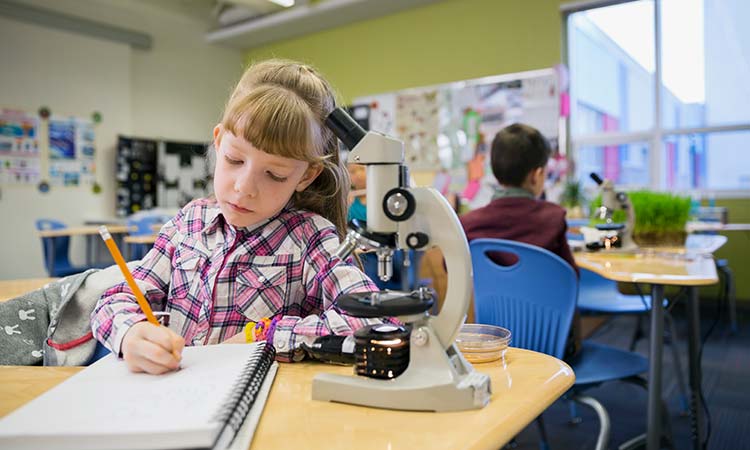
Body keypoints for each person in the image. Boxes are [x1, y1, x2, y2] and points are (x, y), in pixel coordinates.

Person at [91, 59, 382, 374]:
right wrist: (131, 334)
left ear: (306, 176)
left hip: (261, 407)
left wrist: (263, 335)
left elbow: (374, 321)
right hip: (177, 400)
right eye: (233, 159)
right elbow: (114, 300)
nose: (244, 188)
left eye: (274, 174)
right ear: (218, 142)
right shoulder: (188, 224)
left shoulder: (310, 239)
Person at [423, 123, 580, 359]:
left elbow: (449, 267)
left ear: (495, 171)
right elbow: (571, 277)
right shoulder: (553, 217)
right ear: (537, 175)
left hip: (491, 345)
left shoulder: (469, 222)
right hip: (548, 348)